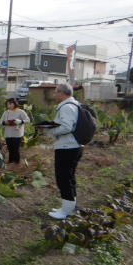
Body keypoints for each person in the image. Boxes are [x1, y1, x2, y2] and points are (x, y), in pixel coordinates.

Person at [39, 83, 83, 219]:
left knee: (63, 178)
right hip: (73, 146)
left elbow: (66, 127)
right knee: (69, 177)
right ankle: (69, 206)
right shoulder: (74, 105)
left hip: (67, 147)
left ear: (62, 93)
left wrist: (48, 130)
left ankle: (66, 212)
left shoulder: (66, 107)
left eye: (56, 92)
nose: (54, 95)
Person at [0, 98, 30, 167]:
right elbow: (0, 122)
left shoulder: (21, 111)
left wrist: (20, 121)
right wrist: (5, 122)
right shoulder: (6, 112)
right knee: (10, 148)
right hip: (8, 133)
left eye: (10, 104)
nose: (9, 106)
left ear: (14, 103)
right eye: (7, 104)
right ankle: (10, 161)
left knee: (16, 149)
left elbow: (28, 120)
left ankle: (16, 162)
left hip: (17, 133)